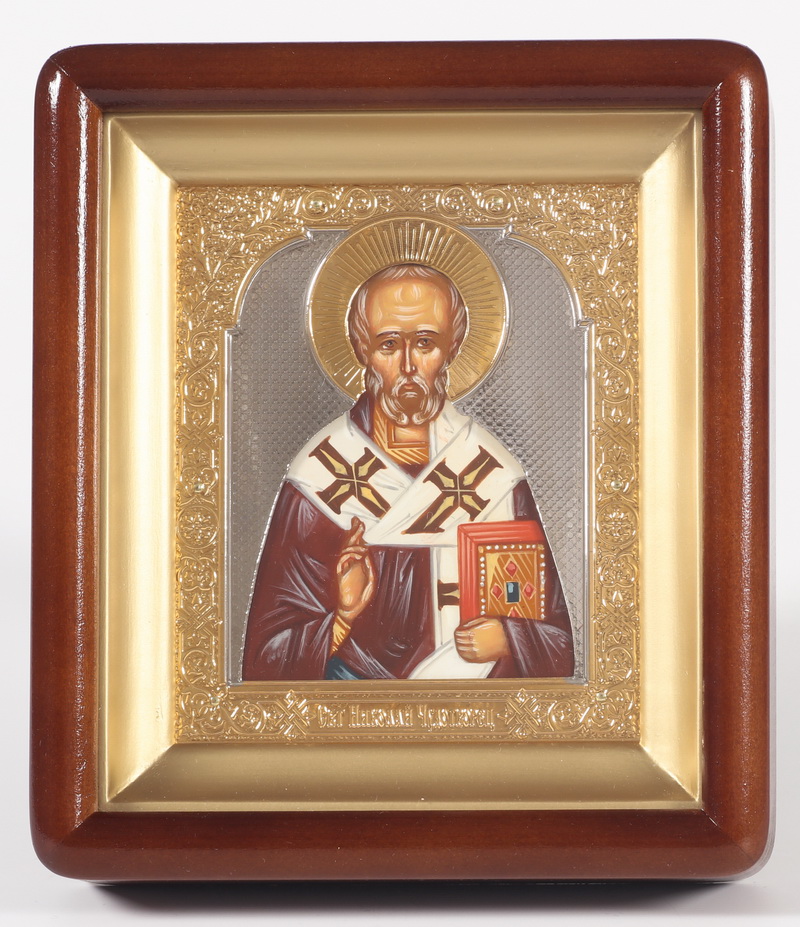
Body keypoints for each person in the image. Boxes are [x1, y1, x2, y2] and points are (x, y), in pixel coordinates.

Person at [242, 263, 574, 681]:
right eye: (388, 344)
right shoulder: (321, 475)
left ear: (453, 347)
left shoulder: (491, 472)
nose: (408, 365)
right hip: (355, 703)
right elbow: (266, 658)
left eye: (425, 343)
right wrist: (342, 618)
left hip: (475, 710)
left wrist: (511, 638)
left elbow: (559, 642)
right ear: (361, 349)